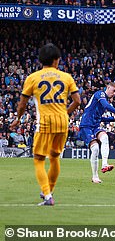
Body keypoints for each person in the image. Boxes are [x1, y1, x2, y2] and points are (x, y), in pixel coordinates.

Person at [9, 43, 81, 206]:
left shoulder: (33, 78)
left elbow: (22, 104)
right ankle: (48, 190)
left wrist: (18, 118)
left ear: (41, 60)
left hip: (45, 123)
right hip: (62, 123)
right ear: (57, 60)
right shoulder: (66, 77)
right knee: (55, 157)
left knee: (39, 159)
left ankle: (47, 195)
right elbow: (77, 101)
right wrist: (65, 113)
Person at [78, 82, 115, 184]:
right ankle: (95, 176)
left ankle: (104, 164)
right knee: (95, 148)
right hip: (86, 126)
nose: (114, 94)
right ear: (108, 87)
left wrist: (114, 119)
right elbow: (107, 106)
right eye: (113, 91)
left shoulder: (103, 102)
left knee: (104, 137)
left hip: (95, 126)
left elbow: (100, 118)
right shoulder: (100, 94)